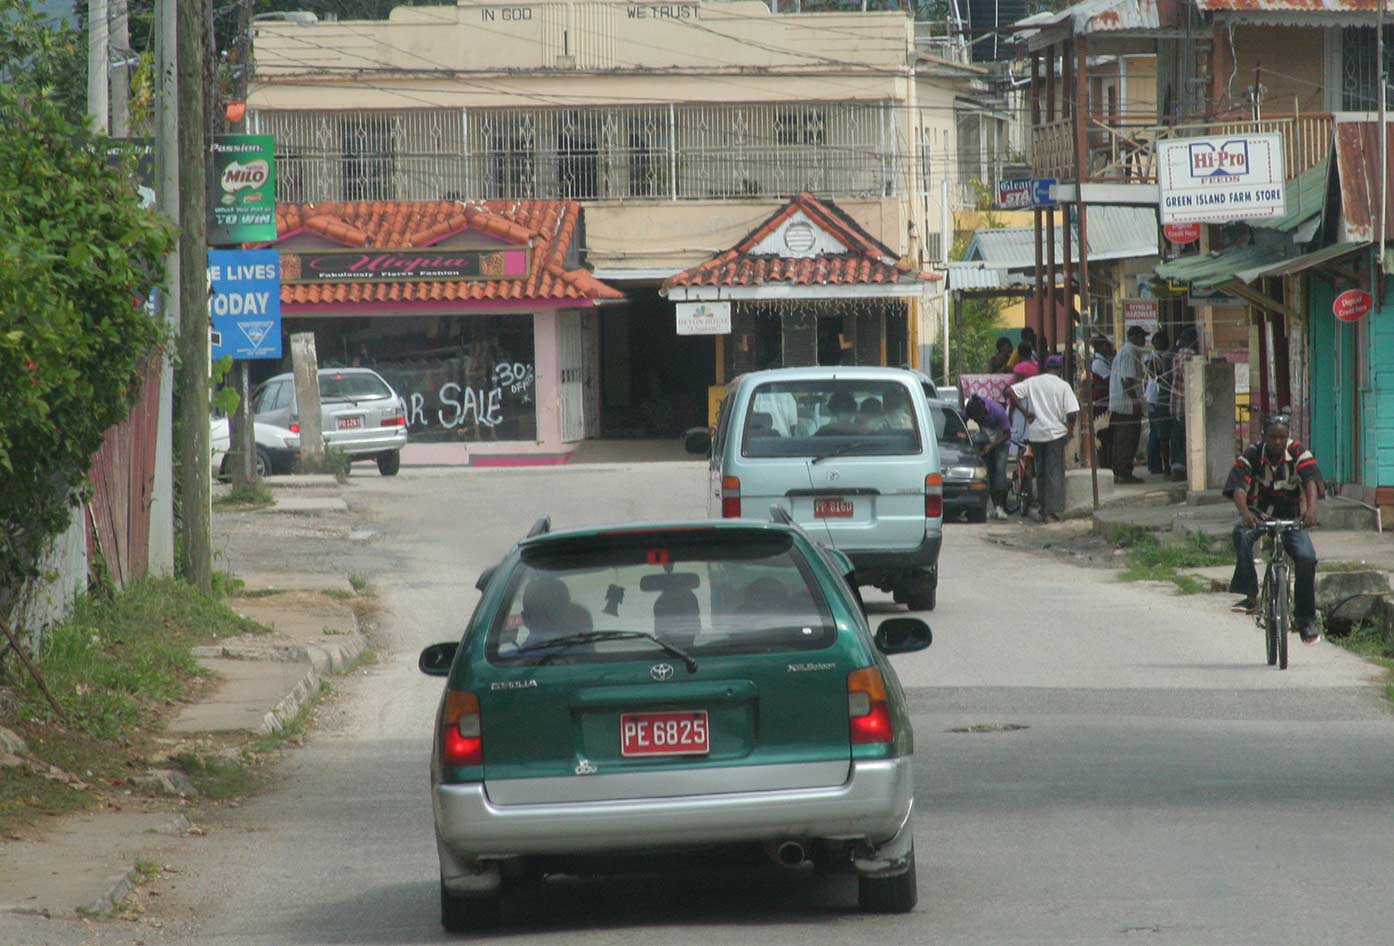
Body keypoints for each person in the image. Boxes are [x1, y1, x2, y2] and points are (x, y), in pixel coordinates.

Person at [1223, 413, 1322, 644]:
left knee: (1307, 557)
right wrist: (1245, 512)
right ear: (1264, 436)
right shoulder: (1252, 454)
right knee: (1241, 535)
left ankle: (1305, 620)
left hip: (1291, 517)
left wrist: (1311, 509)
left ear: (1288, 437)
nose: (1278, 441)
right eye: (1273, 437)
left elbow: (1310, 481)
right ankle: (1250, 595)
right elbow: (1239, 488)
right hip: (1258, 514)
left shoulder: (1298, 452)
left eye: (1282, 437)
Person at [1006, 354, 1079, 523]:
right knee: (1054, 472)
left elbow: (1010, 391)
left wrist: (1025, 413)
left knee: (1041, 472)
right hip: (1055, 434)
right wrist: (1069, 432)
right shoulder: (1063, 386)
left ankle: (1043, 508)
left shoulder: (1033, 382)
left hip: (1036, 434)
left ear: (1046, 367)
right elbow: (1072, 413)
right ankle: (1052, 512)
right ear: (1060, 370)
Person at [1108, 325, 1148, 484]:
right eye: (1142, 336)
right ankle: (1124, 472)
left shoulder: (1125, 351)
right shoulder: (1130, 352)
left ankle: (1119, 472)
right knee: (1128, 439)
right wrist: (1135, 401)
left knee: (1121, 439)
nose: (1144, 340)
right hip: (1127, 406)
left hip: (1120, 404)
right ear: (1135, 337)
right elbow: (1127, 380)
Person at [964, 394, 1012, 520]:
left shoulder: (997, 411)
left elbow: (1007, 434)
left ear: (983, 412)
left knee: (1000, 471)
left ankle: (1000, 505)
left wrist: (991, 446)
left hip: (1002, 443)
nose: (976, 420)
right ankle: (990, 505)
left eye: (977, 418)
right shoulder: (972, 408)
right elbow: (963, 420)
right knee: (987, 473)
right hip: (985, 442)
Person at [1168, 327, 1199, 482]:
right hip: (1185, 403)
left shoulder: (1176, 353)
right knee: (1184, 438)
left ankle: (1175, 467)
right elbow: (1192, 380)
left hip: (1175, 403)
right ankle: (1180, 470)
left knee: (1177, 438)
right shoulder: (1188, 355)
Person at [1145, 330, 1173, 476]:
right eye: (1155, 342)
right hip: (1154, 399)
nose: (1157, 345)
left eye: (1159, 342)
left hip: (1160, 399)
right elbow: (1156, 375)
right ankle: (1155, 464)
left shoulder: (1165, 356)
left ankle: (1157, 465)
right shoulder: (1153, 358)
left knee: (1159, 434)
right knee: (1156, 433)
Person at [1089, 335, 1114, 467]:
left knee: (1107, 436)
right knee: (1103, 436)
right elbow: (1110, 379)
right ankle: (1104, 465)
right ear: (1103, 346)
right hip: (1101, 404)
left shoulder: (1104, 361)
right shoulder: (1098, 363)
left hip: (1105, 403)